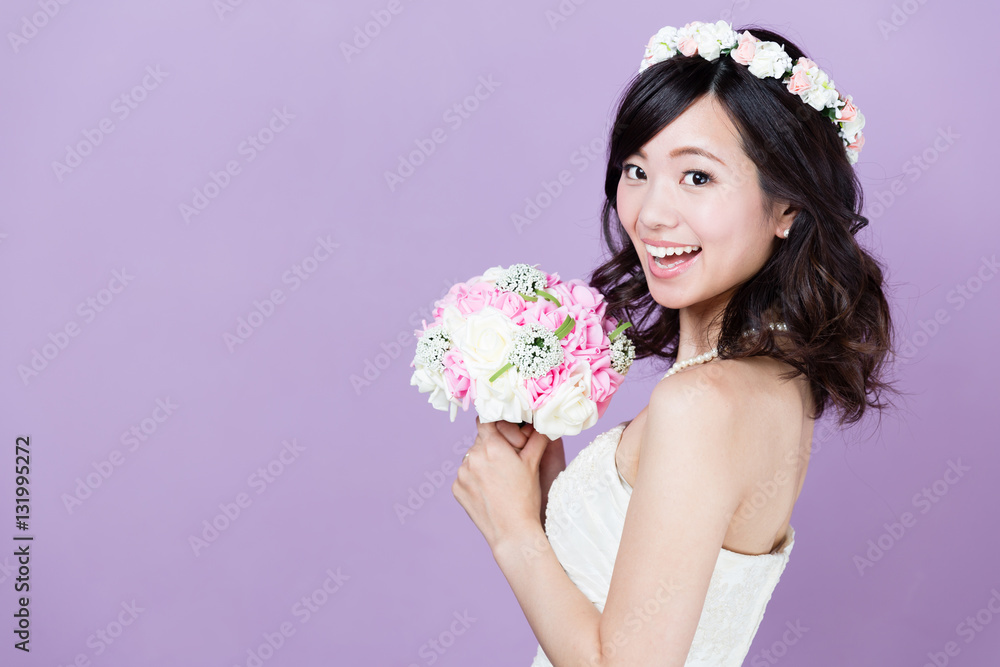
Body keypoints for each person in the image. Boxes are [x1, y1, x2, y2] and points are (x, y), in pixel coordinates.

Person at [451, 20, 901, 666]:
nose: (652, 212)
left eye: (697, 177)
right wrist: (549, 490)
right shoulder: (773, 382)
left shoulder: (702, 402)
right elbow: (648, 594)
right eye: (637, 169)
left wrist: (511, 530)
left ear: (787, 208)